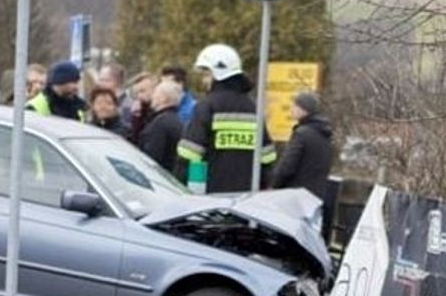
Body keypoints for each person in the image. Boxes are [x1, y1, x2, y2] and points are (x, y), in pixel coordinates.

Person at [176, 43, 277, 193]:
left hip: (212, 194)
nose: (204, 81)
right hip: (246, 196)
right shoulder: (252, 108)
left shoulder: (207, 106)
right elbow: (267, 157)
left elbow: (189, 154)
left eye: (207, 74)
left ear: (218, 73)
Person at [272, 91, 334, 200]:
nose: (292, 109)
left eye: (295, 105)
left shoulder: (301, 134)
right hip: (316, 195)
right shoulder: (325, 135)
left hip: (295, 196)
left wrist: (274, 185)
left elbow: (286, 167)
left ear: (304, 109)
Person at [139, 80, 184, 171]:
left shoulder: (160, 124)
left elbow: (152, 155)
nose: (152, 97)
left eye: (155, 93)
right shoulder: (176, 120)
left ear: (163, 98)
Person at [126, 72, 155, 143]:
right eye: (136, 93)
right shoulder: (139, 112)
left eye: (142, 91)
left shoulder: (158, 113)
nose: (139, 96)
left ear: (154, 89)